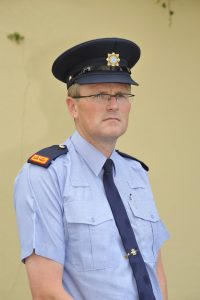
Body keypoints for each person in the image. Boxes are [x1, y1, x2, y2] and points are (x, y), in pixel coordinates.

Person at [14, 37, 169, 300]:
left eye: (121, 94)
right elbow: (46, 292)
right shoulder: (45, 176)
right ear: (72, 106)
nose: (113, 105)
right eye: (100, 95)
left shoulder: (136, 173)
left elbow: (155, 270)